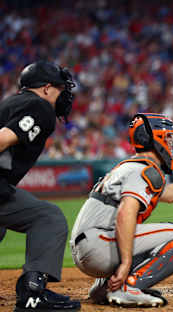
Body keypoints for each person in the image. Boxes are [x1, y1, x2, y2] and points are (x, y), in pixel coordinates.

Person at [70, 113, 173, 307]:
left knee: (150, 239)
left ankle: (103, 289)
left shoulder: (132, 167)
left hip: (90, 246)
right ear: (155, 138)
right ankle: (128, 288)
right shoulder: (144, 169)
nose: (171, 143)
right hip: (99, 244)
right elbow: (125, 213)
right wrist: (126, 262)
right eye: (168, 137)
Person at [0, 61, 80, 311]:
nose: (62, 95)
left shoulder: (9, 103)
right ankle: (33, 294)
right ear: (46, 88)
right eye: (59, 88)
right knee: (49, 218)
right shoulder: (40, 106)